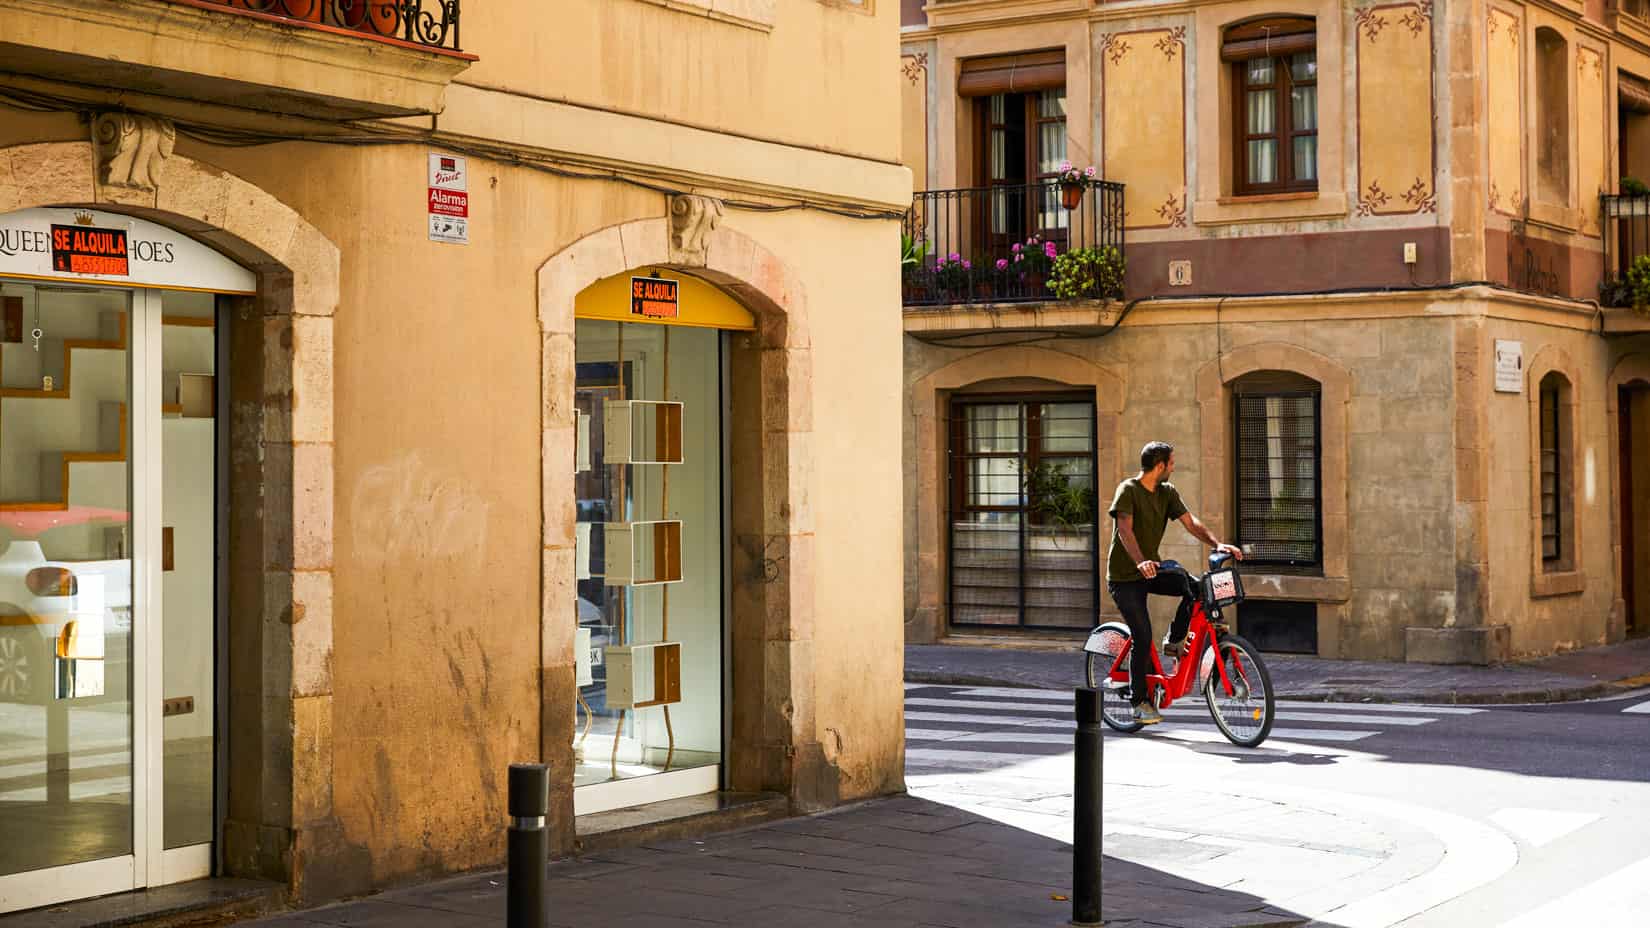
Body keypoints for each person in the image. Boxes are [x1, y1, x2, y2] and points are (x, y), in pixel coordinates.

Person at [1105, 441, 1243, 725]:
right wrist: (1140, 561)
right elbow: (1124, 530)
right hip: (1125, 578)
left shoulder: (1166, 493)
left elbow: (1190, 522)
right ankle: (1139, 701)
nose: (1173, 467)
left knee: (1193, 587)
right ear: (1160, 466)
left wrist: (1218, 543)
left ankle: (1173, 640)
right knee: (1142, 635)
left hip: (1151, 571)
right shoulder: (1128, 490)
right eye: (1171, 463)